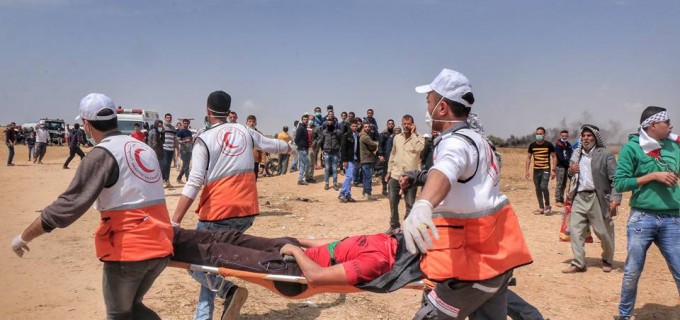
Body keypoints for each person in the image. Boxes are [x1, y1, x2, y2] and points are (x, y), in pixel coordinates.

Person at [11, 93, 174, 319]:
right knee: (133, 307)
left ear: (86, 125)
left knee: (118, 314)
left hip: (130, 251)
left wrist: (23, 237)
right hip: (161, 246)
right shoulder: (142, 148)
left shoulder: (102, 154)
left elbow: (68, 207)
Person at [400, 68, 533, 319]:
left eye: (429, 101)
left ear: (442, 108)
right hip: (495, 262)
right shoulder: (480, 141)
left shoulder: (456, 143)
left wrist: (424, 204)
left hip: (472, 267)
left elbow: (445, 170)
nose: (427, 109)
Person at [171, 91, 290, 320]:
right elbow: (272, 145)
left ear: (207, 111)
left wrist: (175, 220)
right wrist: (289, 148)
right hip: (246, 210)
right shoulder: (245, 130)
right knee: (208, 264)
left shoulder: (204, 139)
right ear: (228, 110)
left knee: (193, 261)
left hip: (218, 212)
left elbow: (194, 181)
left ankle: (228, 291)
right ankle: (205, 314)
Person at [613, 106, 679, 320]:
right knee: (632, 272)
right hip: (642, 219)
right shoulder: (631, 149)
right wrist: (652, 176)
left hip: (673, 219)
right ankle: (624, 316)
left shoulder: (675, 147)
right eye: (666, 122)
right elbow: (620, 183)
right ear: (652, 125)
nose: (671, 125)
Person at [562, 124, 621, 274]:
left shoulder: (606, 154)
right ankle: (578, 263)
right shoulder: (576, 154)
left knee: (603, 232)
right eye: (584, 136)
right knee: (575, 231)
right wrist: (571, 171)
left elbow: (615, 178)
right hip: (579, 197)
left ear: (595, 137)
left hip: (598, 197)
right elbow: (571, 175)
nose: (586, 138)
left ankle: (607, 259)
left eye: (589, 136)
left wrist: (615, 197)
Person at [386, 115, 425, 234]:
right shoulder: (397, 138)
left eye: (409, 124)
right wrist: (388, 171)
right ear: (402, 124)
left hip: (411, 178)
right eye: (404, 124)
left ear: (413, 124)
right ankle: (394, 226)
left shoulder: (419, 138)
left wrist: (414, 134)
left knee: (410, 204)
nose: (406, 126)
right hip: (395, 175)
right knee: (393, 203)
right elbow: (393, 154)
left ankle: (407, 228)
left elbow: (420, 149)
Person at [525, 126, 557, 214]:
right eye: (537, 134)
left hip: (545, 169)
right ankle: (541, 208)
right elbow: (528, 158)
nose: (538, 135)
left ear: (544, 134)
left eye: (540, 134)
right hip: (536, 170)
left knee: (543, 186)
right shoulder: (532, 145)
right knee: (538, 188)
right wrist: (527, 171)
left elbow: (554, 157)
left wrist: (554, 170)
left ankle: (547, 206)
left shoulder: (549, 145)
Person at [338, 119, 360, 203]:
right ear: (350, 126)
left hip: (355, 159)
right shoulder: (346, 135)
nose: (354, 127)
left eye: (356, 126)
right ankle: (342, 193)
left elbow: (358, 148)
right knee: (349, 177)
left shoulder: (357, 135)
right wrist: (344, 160)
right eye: (353, 126)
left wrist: (359, 160)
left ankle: (348, 195)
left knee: (350, 177)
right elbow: (343, 149)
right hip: (348, 159)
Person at [318, 116, 342, 190]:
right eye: (328, 122)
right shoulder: (324, 132)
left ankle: (335, 184)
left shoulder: (338, 132)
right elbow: (322, 142)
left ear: (333, 123)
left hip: (335, 153)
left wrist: (338, 149)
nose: (329, 124)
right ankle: (327, 183)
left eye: (331, 122)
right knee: (327, 169)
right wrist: (323, 150)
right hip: (326, 152)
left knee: (334, 169)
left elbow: (340, 142)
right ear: (326, 123)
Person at [359, 122, 378, 200]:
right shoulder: (365, 137)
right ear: (363, 128)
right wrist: (374, 148)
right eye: (365, 127)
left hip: (364, 159)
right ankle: (368, 193)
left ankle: (365, 193)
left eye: (368, 127)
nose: (367, 128)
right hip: (367, 158)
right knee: (368, 177)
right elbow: (374, 145)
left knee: (365, 177)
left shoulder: (362, 136)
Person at [554, 130, 573, 207]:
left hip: (567, 166)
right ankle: (558, 200)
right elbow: (560, 157)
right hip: (561, 166)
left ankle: (562, 199)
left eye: (566, 136)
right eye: (563, 136)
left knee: (564, 184)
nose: (564, 137)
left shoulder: (568, 145)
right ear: (560, 136)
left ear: (567, 136)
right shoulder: (558, 145)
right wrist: (568, 165)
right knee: (560, 183)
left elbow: (570, 154)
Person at [378, 119, 396, 196]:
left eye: (392, 124)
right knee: (385, 173)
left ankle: (391, 189)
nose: (391, 125)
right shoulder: (383, 134)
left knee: (393, 173)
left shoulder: (396, 134)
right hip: (386, 156)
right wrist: (381, 155)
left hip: (394, 157)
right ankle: (384, 189)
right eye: (389, 124)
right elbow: (380, 145)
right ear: (387, 125)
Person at [161, 113, 178, 188]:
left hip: (171, 149)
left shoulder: (173, 128)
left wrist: (177, 148)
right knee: (164, 165)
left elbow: (175, 139)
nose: (169, 119)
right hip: (164, 148)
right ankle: (163, 180)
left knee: (168, 166)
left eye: (170, 118)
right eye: (167, 118)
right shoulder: (162, 127)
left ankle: (167, 181)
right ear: (165, 118)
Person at [176, 119, 193, 184]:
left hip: (189, 150)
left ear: (189, 124)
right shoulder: (180, 132)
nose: (186, 124)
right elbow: (177, 141)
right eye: (184, 123)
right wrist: (185, 141)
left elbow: (190, 140)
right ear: (182, 123)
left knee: (185, 165)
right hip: (183, 150)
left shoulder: (189, 132)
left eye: (187, 123)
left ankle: (179, 178)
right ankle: (188, 179)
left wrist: (191, 141)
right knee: (186, 165)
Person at [295, 114, 310, 185]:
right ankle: (301, 179)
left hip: (304, 148)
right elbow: (296, 139)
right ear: (302, 120)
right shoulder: (301, 128)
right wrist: (301, 145)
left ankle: (300, 179)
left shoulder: (304, 127)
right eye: (304, 119)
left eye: (307, 119)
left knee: (302, 164)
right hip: (302, 148)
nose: (306, 121)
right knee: (306, 163)